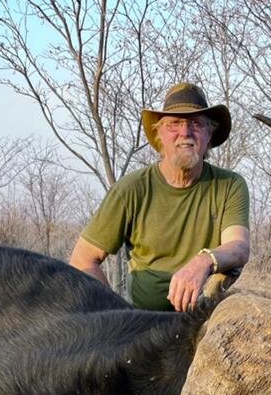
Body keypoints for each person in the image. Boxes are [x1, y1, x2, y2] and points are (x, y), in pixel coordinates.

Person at [69, 83, 250, 311]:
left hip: (209, 322)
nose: (185, 132)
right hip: (145, 324)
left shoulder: (230, 185)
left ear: (209, 133)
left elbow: (239, 246)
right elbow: (83, 260)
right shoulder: (131, 189)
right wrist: (120, 315)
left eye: (196, 123)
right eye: (174, 123)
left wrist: (203, 261)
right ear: (159, 133)